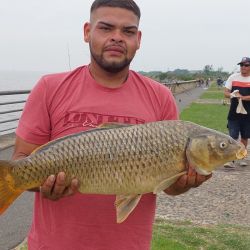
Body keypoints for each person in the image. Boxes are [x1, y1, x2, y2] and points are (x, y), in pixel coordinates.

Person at [13, 1, 211, 249]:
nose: (117, 38)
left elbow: (166, 187)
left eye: (127, 31)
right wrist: (41, 186)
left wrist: (184, 183)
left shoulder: (160, 97)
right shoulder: (49, 88)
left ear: (138, 39)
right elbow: (22, 159)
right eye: (106, 28)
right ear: (87, 32)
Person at [224, 57, 250, 169]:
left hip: (248, 114)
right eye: (241, 65)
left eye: (246, 65)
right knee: (232, 137)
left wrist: (243, 98)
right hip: (234, 113)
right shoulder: (233, 77)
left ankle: (242, 157)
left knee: (244, 137)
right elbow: (225, 92)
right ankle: (230, 159)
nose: (243, 67)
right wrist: (232, 95)